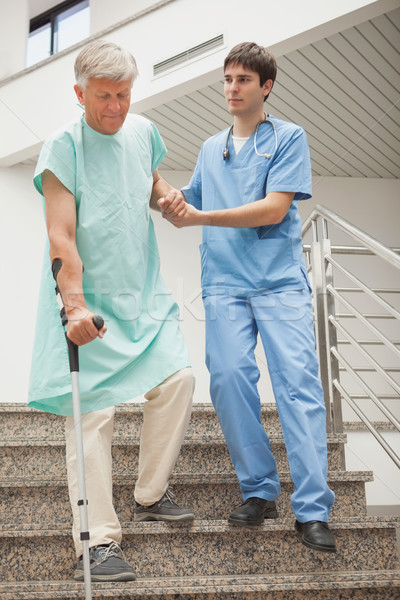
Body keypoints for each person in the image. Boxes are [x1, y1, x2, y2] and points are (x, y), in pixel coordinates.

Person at [28, 40, 195, 582]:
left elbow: (145, 179)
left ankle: (149, 492)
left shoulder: (143, 130)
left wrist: (166, 193)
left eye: (124, 94)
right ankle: (97, 543)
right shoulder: (62, 146)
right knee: (92, 416)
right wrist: (73, 307)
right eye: (104, 96)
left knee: (180, 378)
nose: (116, 107)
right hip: (89, 302)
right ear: (79, 94)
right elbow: (61, 233)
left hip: (140, 294)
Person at [159, 42, 336, 553]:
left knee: (298, 389)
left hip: (277, 282)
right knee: (230, 379)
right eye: (228, 79)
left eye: (243, 80)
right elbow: (192, 198)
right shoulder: (212, 147)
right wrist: (162, 193)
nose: (232, 88)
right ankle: (259, 490)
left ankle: (312, 509)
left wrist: (199, 217)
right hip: (225, 283)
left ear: (266, 87)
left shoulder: (287, 139)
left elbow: (272, 210)